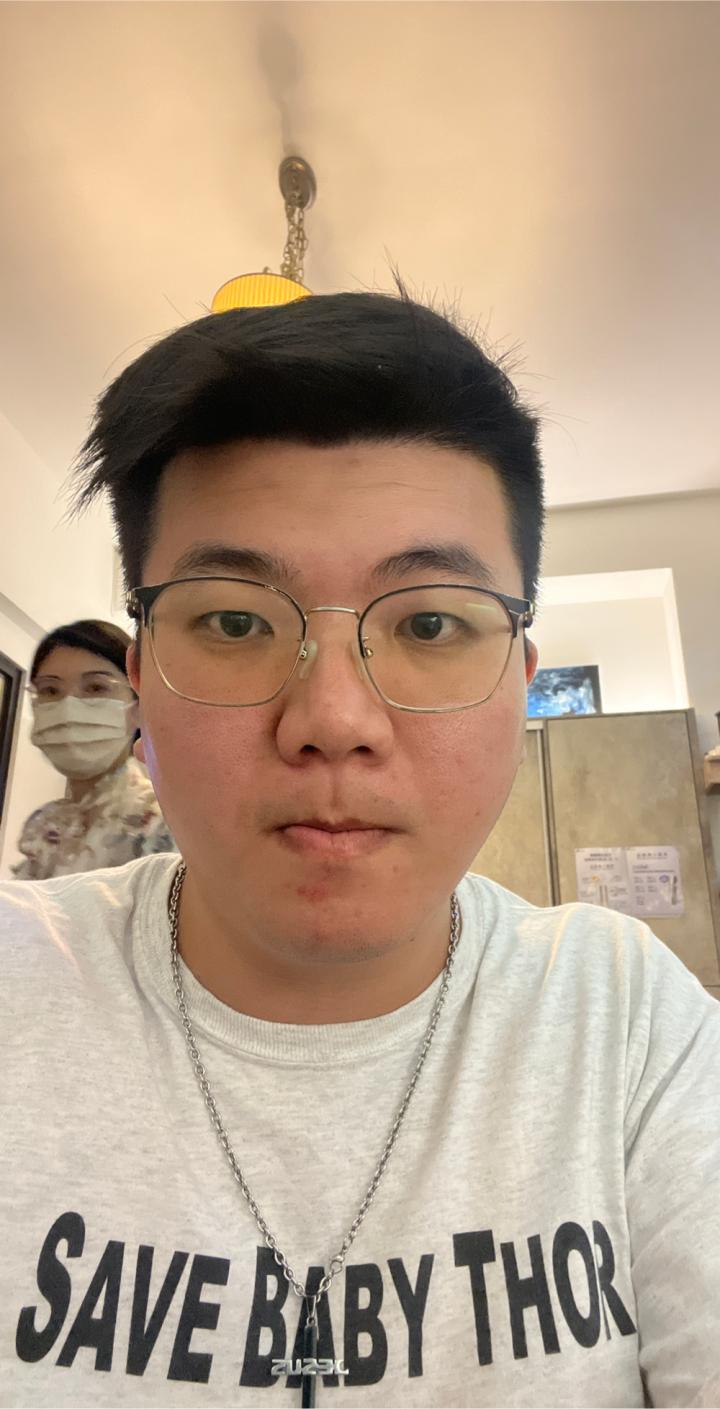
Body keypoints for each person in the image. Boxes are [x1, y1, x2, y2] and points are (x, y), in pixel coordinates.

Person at [0, 291, 718, 1409]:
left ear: (522, 691)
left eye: (430, 622)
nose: (333, 719)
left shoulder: (626, 1017)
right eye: (235, 620)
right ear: (144, 685)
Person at [13, 618, 175, 878]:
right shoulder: (43, 824)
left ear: (138, 706)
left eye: (96, 687)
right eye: (50, 690)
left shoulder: (164, 823)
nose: (68, 708)